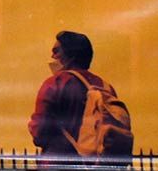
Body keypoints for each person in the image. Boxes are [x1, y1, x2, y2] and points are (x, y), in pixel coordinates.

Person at [28, 31, 117, 167]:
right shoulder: (106, 87)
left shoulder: (55, 83)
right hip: (96, 165)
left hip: (59, 163)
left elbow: (39, 132)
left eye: (56, 51)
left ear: (71, 55)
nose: (52, 56)